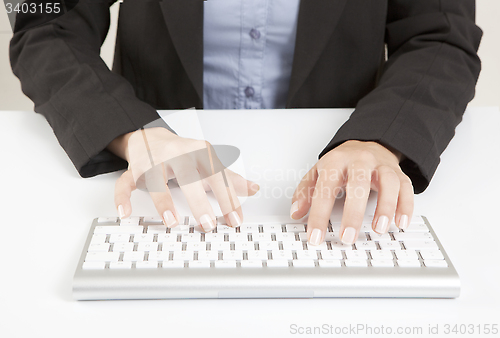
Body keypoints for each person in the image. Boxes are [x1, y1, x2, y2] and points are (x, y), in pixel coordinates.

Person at [10, 0, 482, 246]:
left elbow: (439, 34)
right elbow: (46, 20)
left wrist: (381, 140)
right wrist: (132, 131)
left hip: (336, 177)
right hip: (157, 176)